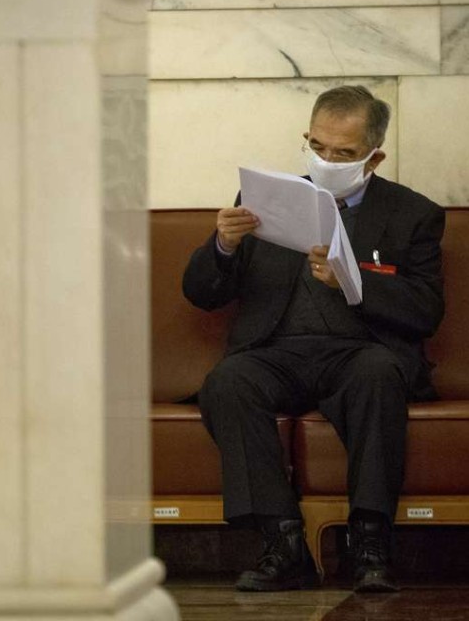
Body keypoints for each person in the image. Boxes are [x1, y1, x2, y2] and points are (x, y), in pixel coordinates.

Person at [182, 85, 445, 593]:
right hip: (275, 351)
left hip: (360, 353)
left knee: (378, 374)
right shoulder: (264, 200)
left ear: (374, 157)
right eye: (318, 146)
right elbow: (201, 294)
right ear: (307, 138)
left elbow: (426, 310)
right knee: (228, 382)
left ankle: (369, 542)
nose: (327, 160)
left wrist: (355, 282)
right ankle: (283, 543)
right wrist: (224, 244)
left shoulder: (413, 214)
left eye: (344, 153)